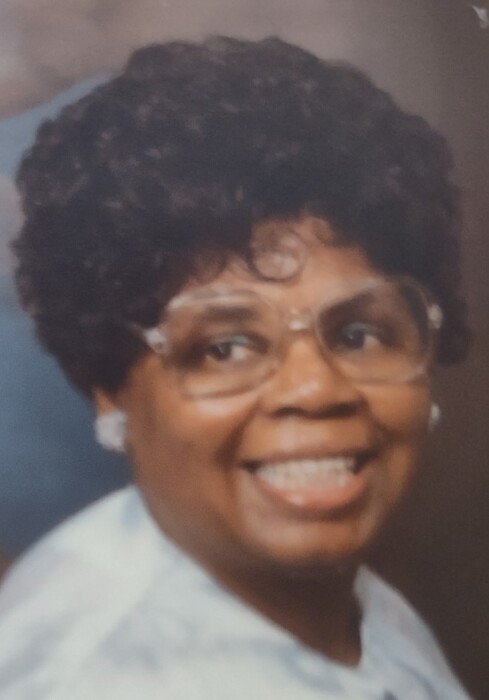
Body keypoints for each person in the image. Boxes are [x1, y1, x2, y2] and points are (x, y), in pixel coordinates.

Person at [0, 36, 472, 699]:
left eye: (358, 333)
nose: (316, 387)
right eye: (224, 348)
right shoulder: (105, 681)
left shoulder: (322, 595)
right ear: (110, 389)